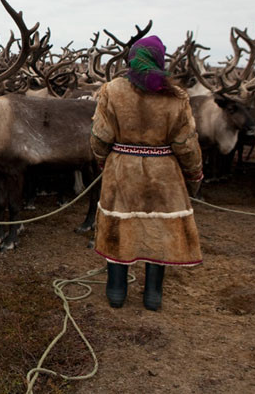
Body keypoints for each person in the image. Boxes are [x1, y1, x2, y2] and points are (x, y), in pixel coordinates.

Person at [89, 35, 203, 311]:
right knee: (159, 231)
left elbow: (100, 136)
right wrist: (194, 174)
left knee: (118, 227)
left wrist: (103, 161)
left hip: (122, 170)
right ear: (159, 59)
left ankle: (116, 291)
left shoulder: (112, 90)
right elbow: (185, 143)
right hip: (163, 174)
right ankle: (153, 295)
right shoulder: (176, 96)